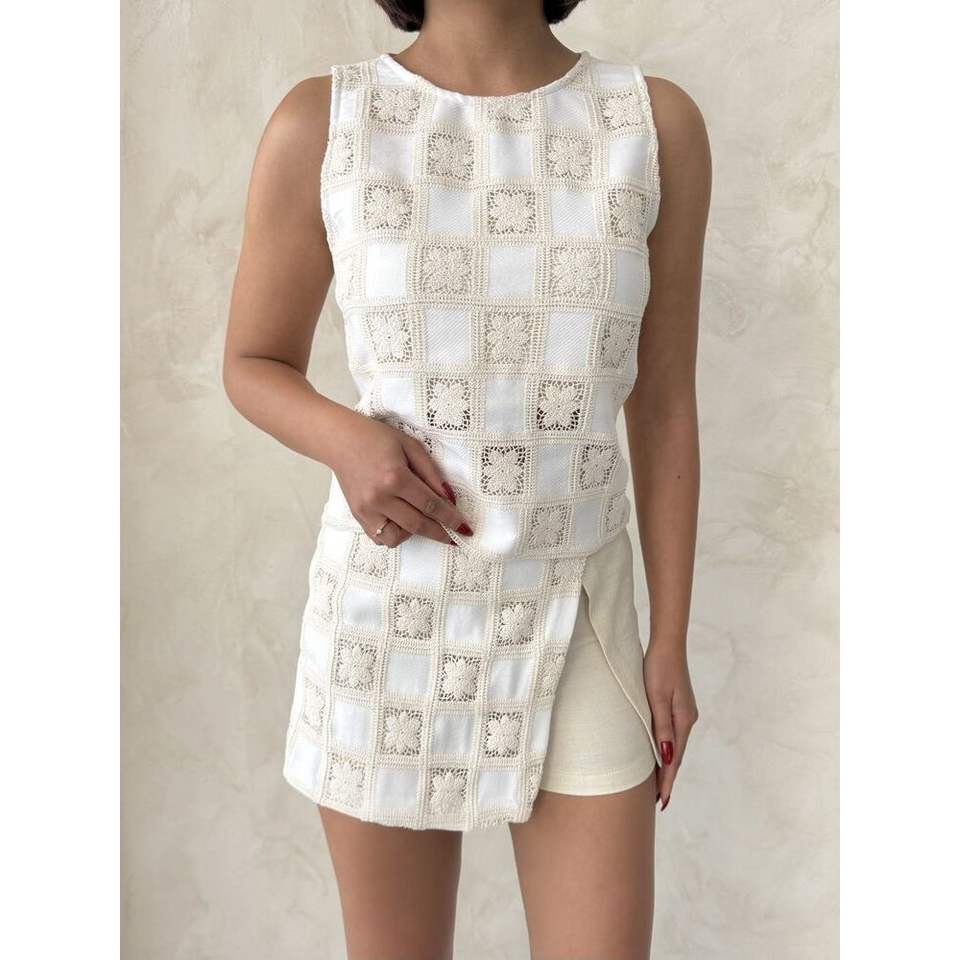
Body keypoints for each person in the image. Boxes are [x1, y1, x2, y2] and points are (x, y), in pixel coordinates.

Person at [223, 1, 711, 955]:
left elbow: (662, 407)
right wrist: (348, 442)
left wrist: (670, 638)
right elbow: (252, 361)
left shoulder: (654, 125)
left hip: (580, 610)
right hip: (390, 619)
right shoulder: (326, 120)